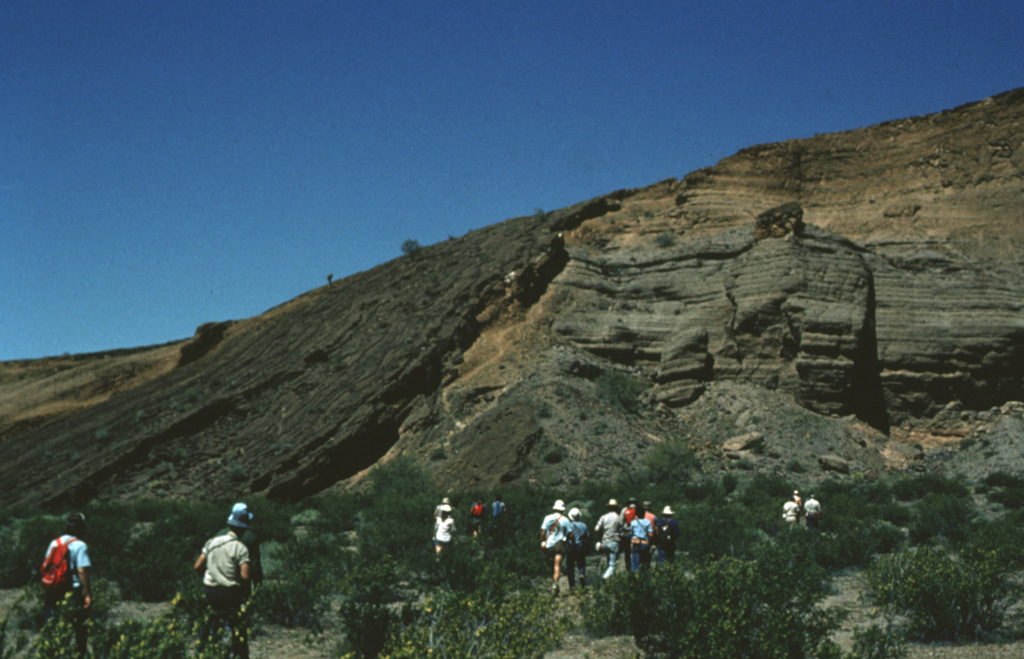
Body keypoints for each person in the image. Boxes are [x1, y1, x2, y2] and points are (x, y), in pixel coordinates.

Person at [194, 504, 254, 658]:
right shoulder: (240, 548)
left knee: (211, 627)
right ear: (244, 527)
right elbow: (245, 577)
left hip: (210, 592)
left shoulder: (212, 542)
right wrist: (245, 594)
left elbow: (197, 566)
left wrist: (211, 575)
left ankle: (204, 653)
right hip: (231, 595)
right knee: (237, 629)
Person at [41, 513, 91, 656]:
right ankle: (79, 654)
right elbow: (82, 571)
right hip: (72, 592)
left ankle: (50, 653)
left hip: (53, 589)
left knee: (51, 626)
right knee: (79, 628)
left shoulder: (54, 542)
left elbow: (46, 566)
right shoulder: (80, 545)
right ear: (81, 528)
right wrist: (87, 594)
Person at [540, 500, 572, 595]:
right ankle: (555, 585)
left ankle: (552, 583)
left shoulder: (547, 518)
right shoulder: (565, 519)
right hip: (559, 544)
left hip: (549, 545)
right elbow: (570, 534)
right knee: (557, 566)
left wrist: (543, 542)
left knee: (551, 565)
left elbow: (543, 532)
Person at [594, 499, 623, 579]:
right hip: (614, 543)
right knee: (613, 564)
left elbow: (596, 529)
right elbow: (622, 531)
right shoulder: (619, 517)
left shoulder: (604, 517)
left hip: (605, 542)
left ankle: (609, 581)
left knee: (608, 562)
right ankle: (605, 578)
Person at [565, 507, 589, 589]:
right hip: (581, 546)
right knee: (581, 563)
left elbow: (566, 536)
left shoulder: (569, 525)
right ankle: (581, 574)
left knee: (570, 565)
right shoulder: (584, 525)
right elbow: (587, 536)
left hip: (571, 546)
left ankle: (572, 585)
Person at [629, 503, 654, 573]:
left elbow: (631, 534)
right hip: (644, 543)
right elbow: (651, 534)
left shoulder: (633, 522)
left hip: (635, 543)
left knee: (635, 563)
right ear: (644, 513)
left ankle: (636, 578)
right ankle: (644, 577)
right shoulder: (647, 522)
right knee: (644, 563)